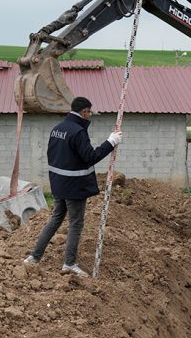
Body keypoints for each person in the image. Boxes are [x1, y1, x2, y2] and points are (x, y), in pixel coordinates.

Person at [24, 97, 122, 276]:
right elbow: (90, 157)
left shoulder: (57, 129)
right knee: (76, 224)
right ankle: (69, 263)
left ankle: (34, 257)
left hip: (59, 185)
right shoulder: (78, 132)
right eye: (89, 112)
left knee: (55, 219)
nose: (89, 116)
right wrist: (111, 142)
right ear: (84, 112)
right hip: (74, 187)